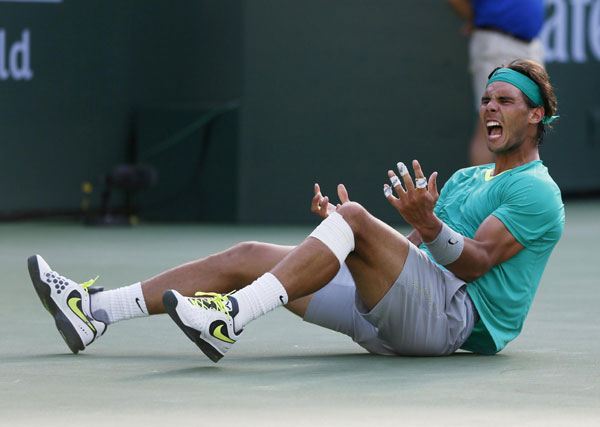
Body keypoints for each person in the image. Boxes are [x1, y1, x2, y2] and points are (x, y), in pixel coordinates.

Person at [28, 59, 564, 362]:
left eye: (505, 101)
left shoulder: (537, 191)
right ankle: (93, 311)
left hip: (456, 325)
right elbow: (418, 256)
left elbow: (471, 264)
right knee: (253, 253)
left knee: (353, 217)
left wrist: (407, 223)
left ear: (536, 115)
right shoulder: (472, 177)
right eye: (486, 99)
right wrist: (341, 239)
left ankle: (229, 318)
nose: (490, 108)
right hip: (404, 311)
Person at [447, 0, 546, 165]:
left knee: (529, 126)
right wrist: (477, 19)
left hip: (531, 45)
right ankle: (484, 191)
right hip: (497, 41)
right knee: (491, 122)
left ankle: (522, 189)